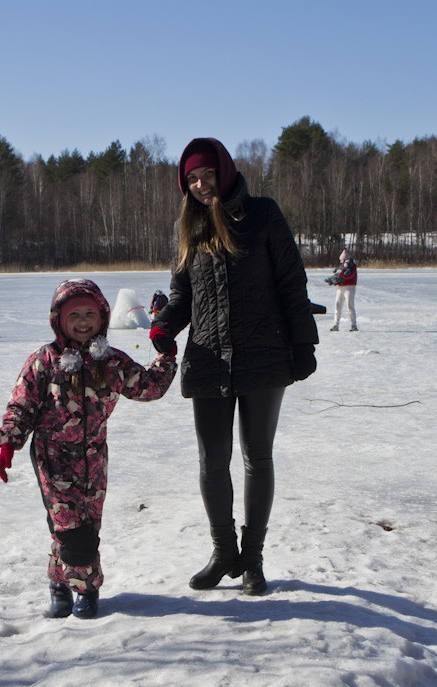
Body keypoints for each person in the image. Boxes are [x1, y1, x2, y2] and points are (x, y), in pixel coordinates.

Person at [149, 138, 319, 596]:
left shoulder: (263, 214)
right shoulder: (189, 226)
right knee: (211, 460)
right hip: (207, 357)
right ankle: (224, 552)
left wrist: (304, 342)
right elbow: (182, 295)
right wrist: (165, 325)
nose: (201, 185)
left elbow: (291, 281)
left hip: (264, 355)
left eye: (206, 175)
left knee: (256, 455)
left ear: (224, 172)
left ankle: (253, 559)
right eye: (192, 179)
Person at [0, 278, 177, 619]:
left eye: (90, 314)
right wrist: (10, 443)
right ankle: (87, 590)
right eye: (74, 314)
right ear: (59, 320)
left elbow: (149, 387)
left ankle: (59, 582)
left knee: (82, 529)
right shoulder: (44, 361)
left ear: (103, 318)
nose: (83, 322)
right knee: (72, 529)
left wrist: (166, 356)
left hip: (94, 457)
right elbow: (21, 406)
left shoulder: (110, 362)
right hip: (52, 458)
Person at [325, 249, 358, 331]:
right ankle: (336, 325)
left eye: (342, 260)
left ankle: (353, 325)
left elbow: (349, 276)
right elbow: (339, 276)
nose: (341, 262)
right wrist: (334, 281)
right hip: (341, 288)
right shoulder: (341, 267)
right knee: (337, 305)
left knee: (350, 306)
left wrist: (340, 276)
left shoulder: (352, 266)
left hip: (349, 287)